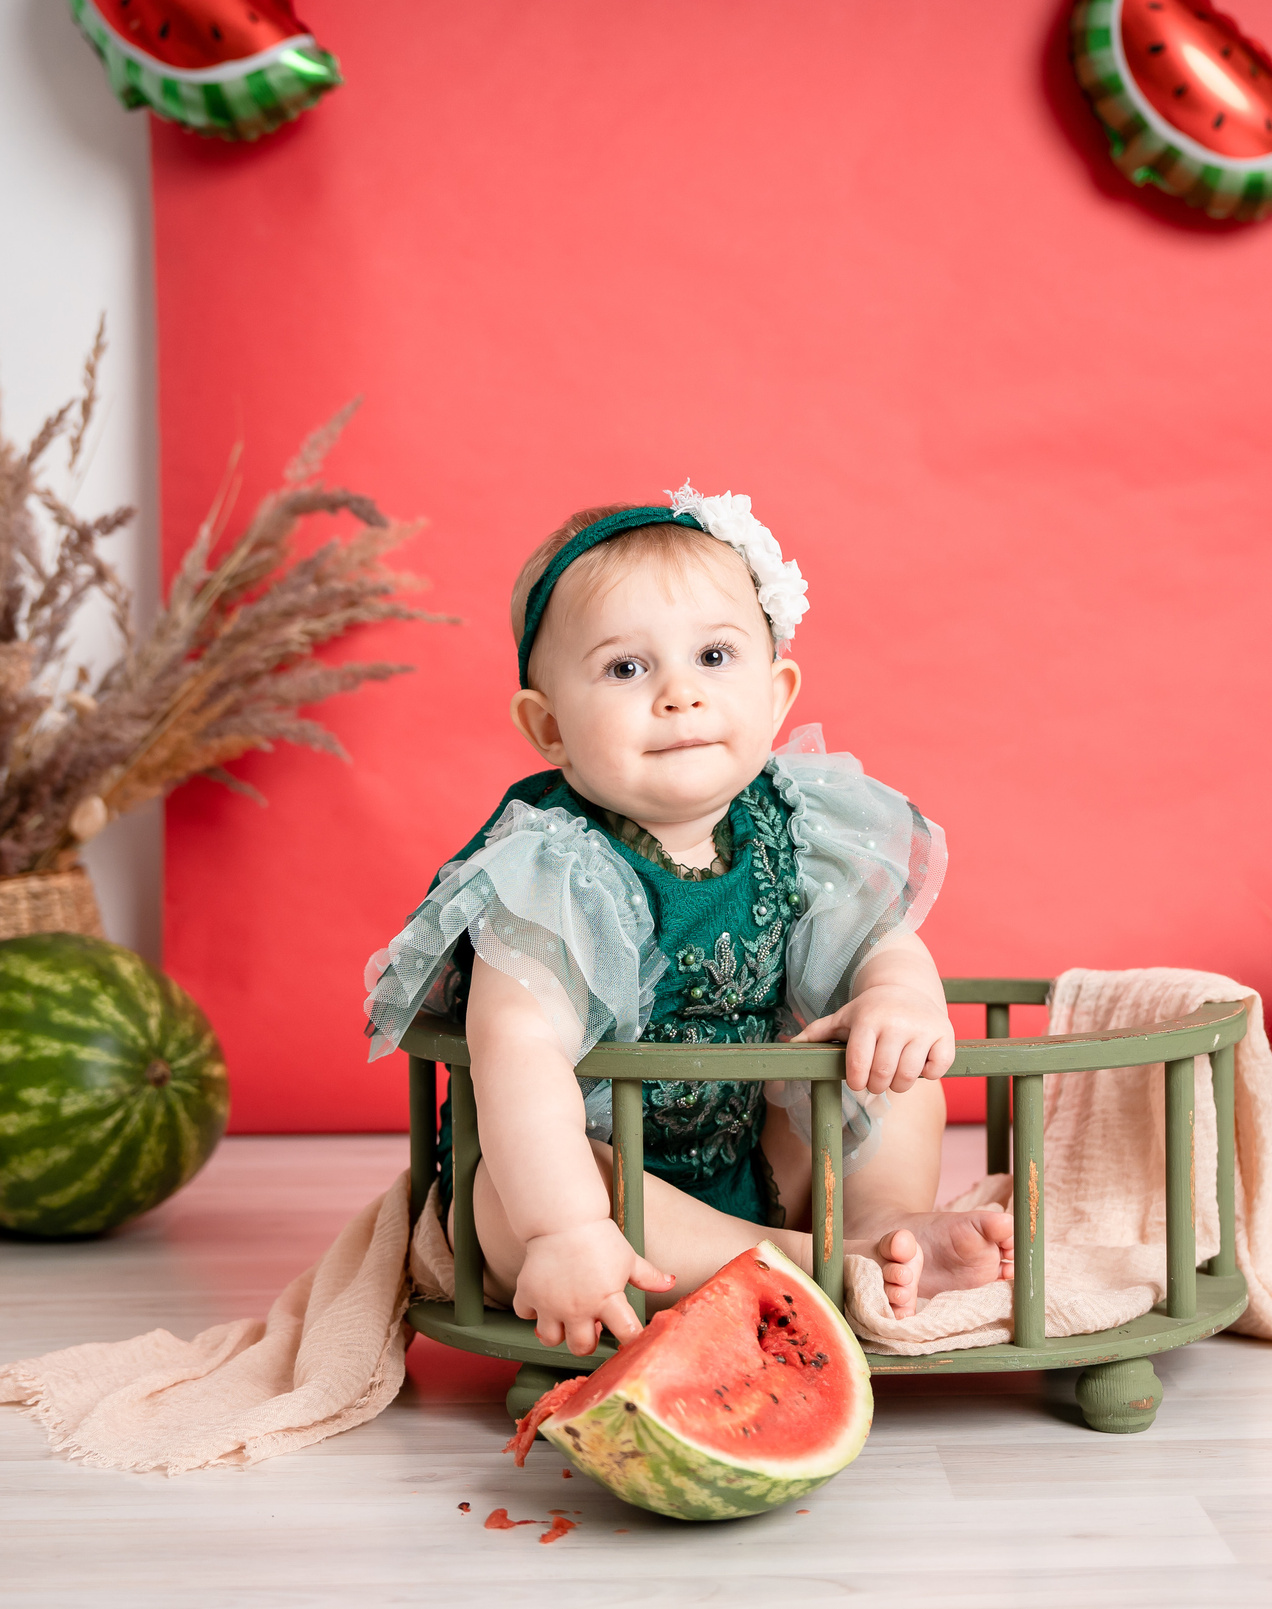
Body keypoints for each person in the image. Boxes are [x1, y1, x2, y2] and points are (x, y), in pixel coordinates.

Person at [366, 486, 1013, 1357]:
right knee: (514, 1199)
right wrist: (564, 1231)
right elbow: (517, 1053)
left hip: (752, 1161)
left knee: (892, 1066)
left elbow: (882, 941)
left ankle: (883, 1222)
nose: (679, 693)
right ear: (549, 725)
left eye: (714, 655)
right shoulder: (554, 868)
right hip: (591, 1190)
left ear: (777, 693)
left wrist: (898, 994)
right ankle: (820, 1266)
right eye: (627, 668)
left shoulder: (803, 824)